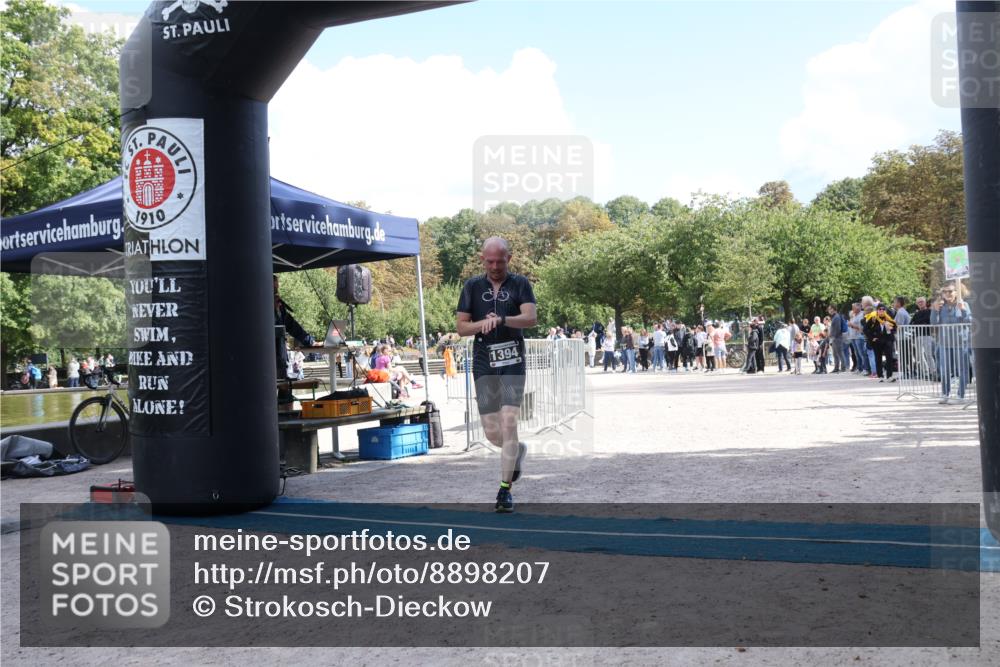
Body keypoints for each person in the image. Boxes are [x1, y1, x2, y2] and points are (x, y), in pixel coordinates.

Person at [456, 237, 537, 513]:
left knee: (509, 421)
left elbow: (530, 319)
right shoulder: (472, 286)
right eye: (489, 261)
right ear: (482, 259)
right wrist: (483, 324)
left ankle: (504, 491)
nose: (494, 266)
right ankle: (517, 451)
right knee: (492, 431)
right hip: (484, 361)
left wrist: (503, 320)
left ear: (508, 259)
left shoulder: (520, 284)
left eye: (499, 262)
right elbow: (462, 328)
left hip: (512, 358)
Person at [273, 274, 321, 382]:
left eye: (277, 288)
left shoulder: (280, 309)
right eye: (274, 288)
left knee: (284, 386)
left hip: (280, 358)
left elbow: (292, 326)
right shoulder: (259, 307)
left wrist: (311, 342)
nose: (276, 291)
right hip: (267, 357)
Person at [931, 285, 972, 404]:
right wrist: (934, 311)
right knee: (945, 370)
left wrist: (963, 310)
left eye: (950, 291)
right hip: (944, 343)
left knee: (962, 370)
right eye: (944, 292)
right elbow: (934, 323)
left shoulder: (963, 304)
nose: (947, 294)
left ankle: (961, 395)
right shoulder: (940, 306)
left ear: (956, 292)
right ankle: (945, 394)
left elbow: (969, 321)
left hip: (960, 343)